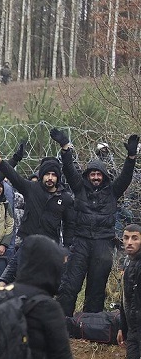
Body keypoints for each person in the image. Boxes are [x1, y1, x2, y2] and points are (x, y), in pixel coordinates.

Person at [54, 131, 138, 316]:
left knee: (97, 287)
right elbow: (69, 169)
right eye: (92, 174)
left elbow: (125, 177)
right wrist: (65, 147)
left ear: (104, 176)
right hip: (81, 242)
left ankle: (90, 325)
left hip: (103, 243)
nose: (95, 178)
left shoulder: (113, 191)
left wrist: (131, 157)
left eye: (99, 174)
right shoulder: (79, 188)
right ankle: (63, 323)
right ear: (87, 176)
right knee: (70, 284)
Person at [0, 145, 75, 285]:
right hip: (28, 245)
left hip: (49, 249)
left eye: (53, 175)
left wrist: (67, 251)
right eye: (47, 174)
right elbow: (13, 176)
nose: (50, 178)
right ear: (42, 175)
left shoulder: (65, 198)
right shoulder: (31, 189)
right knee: (15, 281)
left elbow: (70, 226)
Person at [119, 224, 141, 359]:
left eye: (135, 238)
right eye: (126, 238)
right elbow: (124, 298)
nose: (129, 243)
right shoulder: (127, 262)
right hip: (133, 328)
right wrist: (122, 327)